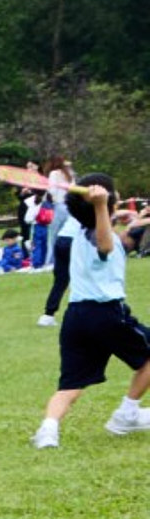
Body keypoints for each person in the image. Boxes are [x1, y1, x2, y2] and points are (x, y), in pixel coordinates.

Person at [31, 176, 150, 447]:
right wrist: (101, 207)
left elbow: (114, 242)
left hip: (76, 317)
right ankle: (127, 414)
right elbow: (106, 245)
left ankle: (48, 430)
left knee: (70, 386)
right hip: (106, 313)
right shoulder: (97, 234)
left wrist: (123, 219)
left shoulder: (80, 231)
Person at [40, 159, 79, 327]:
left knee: (61, 279)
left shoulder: (63, 177)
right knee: (80, 277)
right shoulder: (81, 207)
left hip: (63, 240)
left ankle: (48, 315)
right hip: (74, 240)